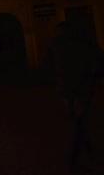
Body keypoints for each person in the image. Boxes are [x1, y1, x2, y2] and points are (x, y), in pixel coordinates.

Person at [49, 21, 100, 171]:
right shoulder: (83, 44)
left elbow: (50, 65)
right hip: (79, 89)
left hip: (69, 89)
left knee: (77, 120)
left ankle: (77, 154)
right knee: (79, 120)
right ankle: (80, 152)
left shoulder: (56, 44)